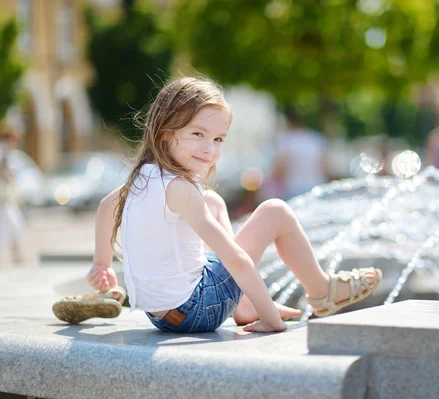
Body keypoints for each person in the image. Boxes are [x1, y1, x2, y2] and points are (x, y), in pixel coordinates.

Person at [53, 76, 382, 333]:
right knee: (275, 212)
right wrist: (271, 320)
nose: (209, 149)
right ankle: (322, 291)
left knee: (213, 201)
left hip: (162, 315)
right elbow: (236, 259)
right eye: (198, 134)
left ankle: (242, 307)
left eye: (218, 139)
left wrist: (102, 264)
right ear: (166, 133)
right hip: (195, 309)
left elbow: (107, 209)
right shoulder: (180, 188)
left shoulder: (142, 178)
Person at [269, 108, 329, 200]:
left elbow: (280, 168)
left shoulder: (287, 140)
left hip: (293, 189)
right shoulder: (316, 139)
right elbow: (325, 168)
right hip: (316, 187)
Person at [0, 124, 25, 267]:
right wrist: (9, 176)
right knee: (13, 223)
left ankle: (17, 254)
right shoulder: (2, 149)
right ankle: (17, 255)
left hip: (5, 198)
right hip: (3, 197)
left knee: (13, 223)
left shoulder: (5, 150)